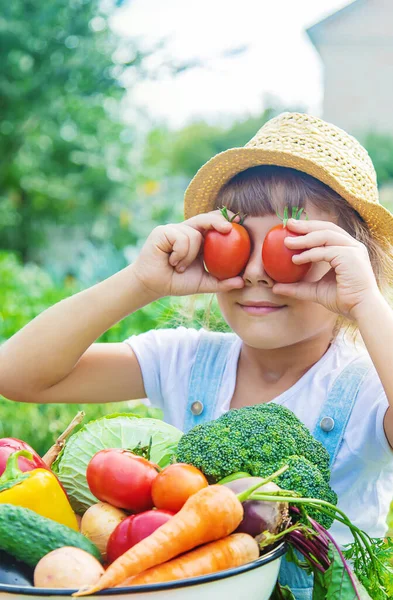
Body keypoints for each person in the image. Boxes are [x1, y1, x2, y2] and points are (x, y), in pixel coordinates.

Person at [1, 112, 393, 598]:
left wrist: (366, 302)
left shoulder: (369, 383)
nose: (254, 272)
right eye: (236, 241)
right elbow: (16, 375)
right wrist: (140, 282)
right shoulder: (185, 359)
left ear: (347, 261)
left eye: (290, 247)